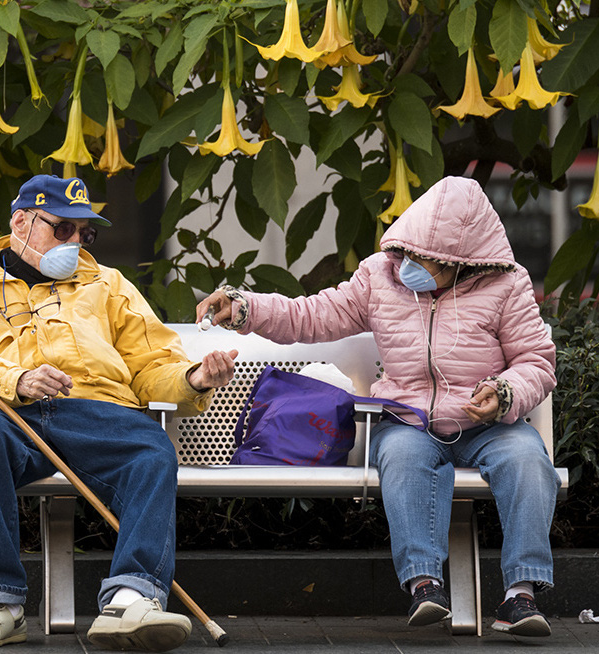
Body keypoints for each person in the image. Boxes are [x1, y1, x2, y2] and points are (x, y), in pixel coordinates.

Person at [195, 176, 560, 637]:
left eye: (426, 259)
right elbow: (314, 315)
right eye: (408, 251)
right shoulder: (379, 275)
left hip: (491, 425)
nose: (410, 264)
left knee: (528, 459)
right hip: (408, 421)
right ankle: (425, 586)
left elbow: (536, 361)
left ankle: (520, 596)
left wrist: (504, 393)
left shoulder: (506, 285)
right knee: (402, 457)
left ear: (462, 262)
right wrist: (246, 307)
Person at [0, 174, 238, 652]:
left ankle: (132, 599)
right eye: (63, 229)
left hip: (101, 416)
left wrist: (193, 379)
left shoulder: (109, 285)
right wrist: (17, 379)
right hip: (18, 417)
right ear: (21, 222)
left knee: (152, 450)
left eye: (85, 233)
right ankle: (1, 603)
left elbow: (152, 363)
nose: (74, 242)